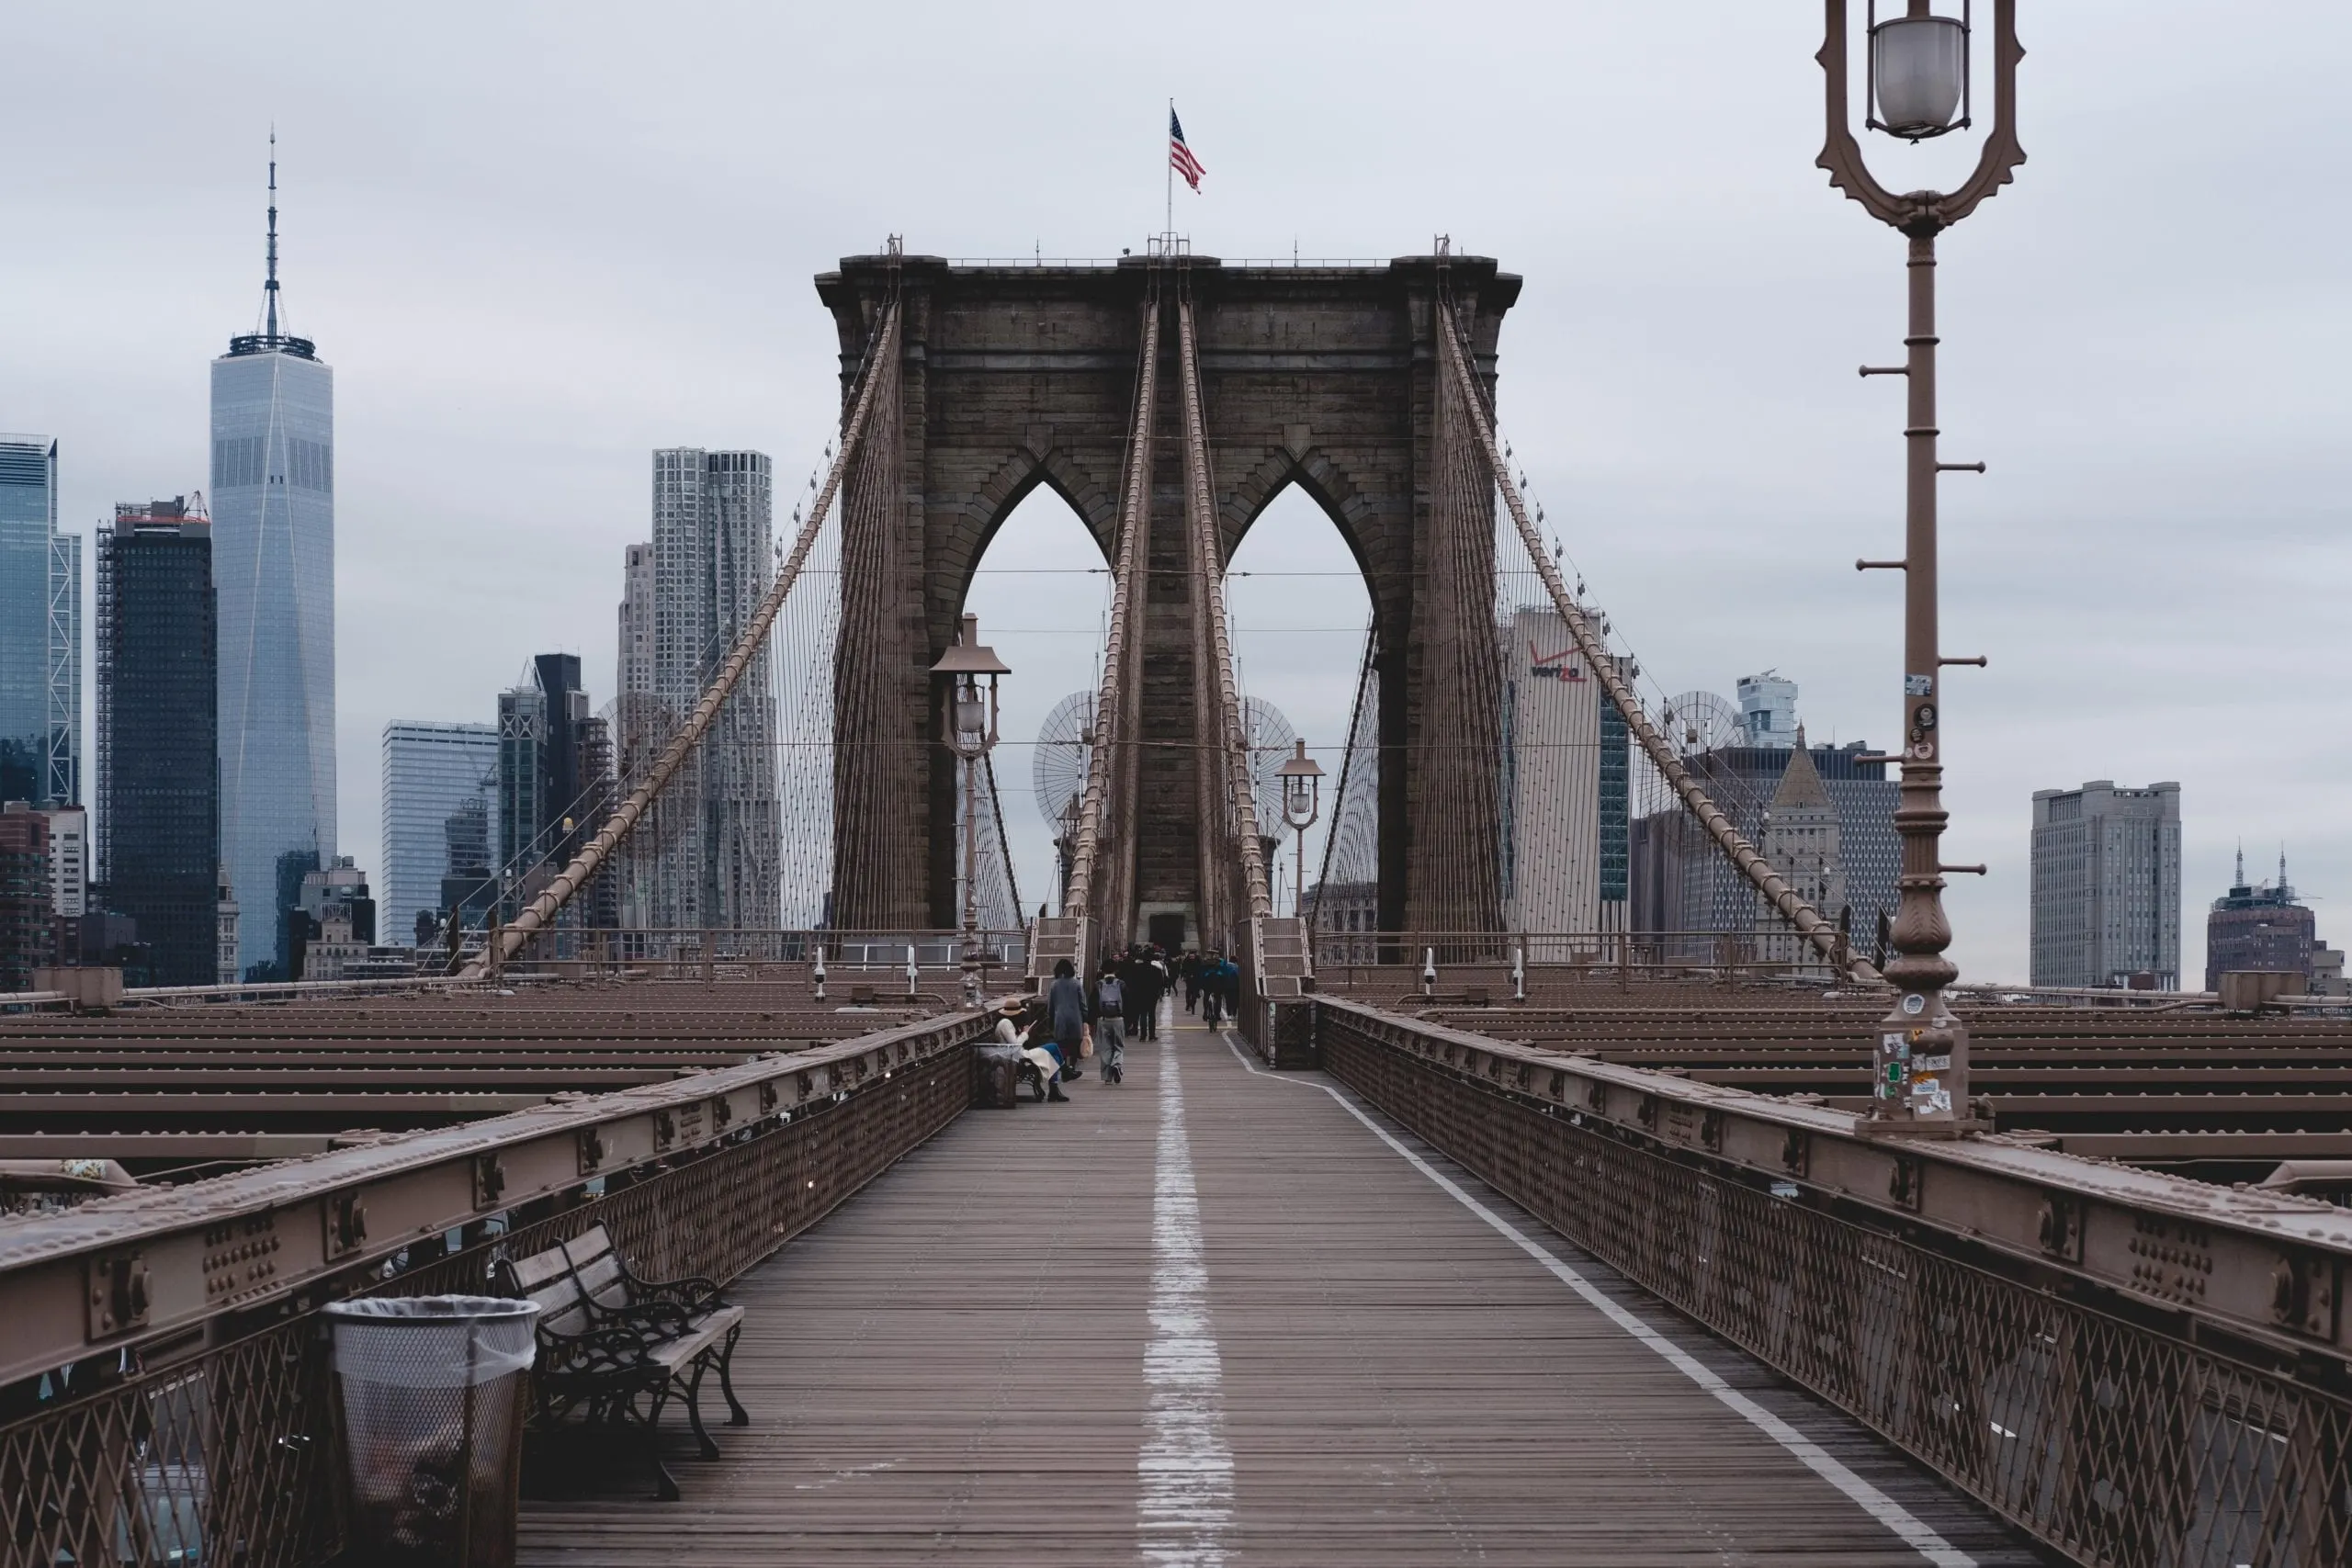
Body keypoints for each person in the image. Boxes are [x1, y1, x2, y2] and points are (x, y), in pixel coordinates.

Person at [994, 999, 1066, 1102]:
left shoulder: (1008, 1022)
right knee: (1053, 1047)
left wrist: (1022, 1032)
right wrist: (1025, 1033)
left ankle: (1054, 1090)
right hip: (1017, 1057)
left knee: (1055, 1056)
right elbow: (1015, 1044)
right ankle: (1065, 1071)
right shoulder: (1006, 1023)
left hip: (1017, 1055)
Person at [1046, 958, 1088, 1081]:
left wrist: (1051, 1020)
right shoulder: (1076, 984)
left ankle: (1064, 1068)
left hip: (1060, 1019)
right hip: (1075, 1018)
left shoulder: (1054, 985)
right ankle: (1072, 1067)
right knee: (1075, 1044)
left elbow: (1050, 1006)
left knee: (1062, 1045)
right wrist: (1086, 1017)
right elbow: (1083, 1003)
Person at [1094, 968, 1125, 1085]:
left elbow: (1093, 1003)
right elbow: (1127, 1000)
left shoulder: (1098, 984)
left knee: (1105, 1048)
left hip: (1103, 1020)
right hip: (1118, 1019)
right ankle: (1116, 1064)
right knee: (1118, 1045)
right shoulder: (1120, 984)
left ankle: (1107, 1077)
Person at [1200, 952, 1224, 1028]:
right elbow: (1224, 973)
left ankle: (1205, 1013)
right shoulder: (1220, 963)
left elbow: (1201, 973)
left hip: (1207, 984)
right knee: (1218, 998)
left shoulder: (1205, 963)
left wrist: (1201, 984)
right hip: (1217, 984)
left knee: (1206, 998)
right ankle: (1217, 1014)